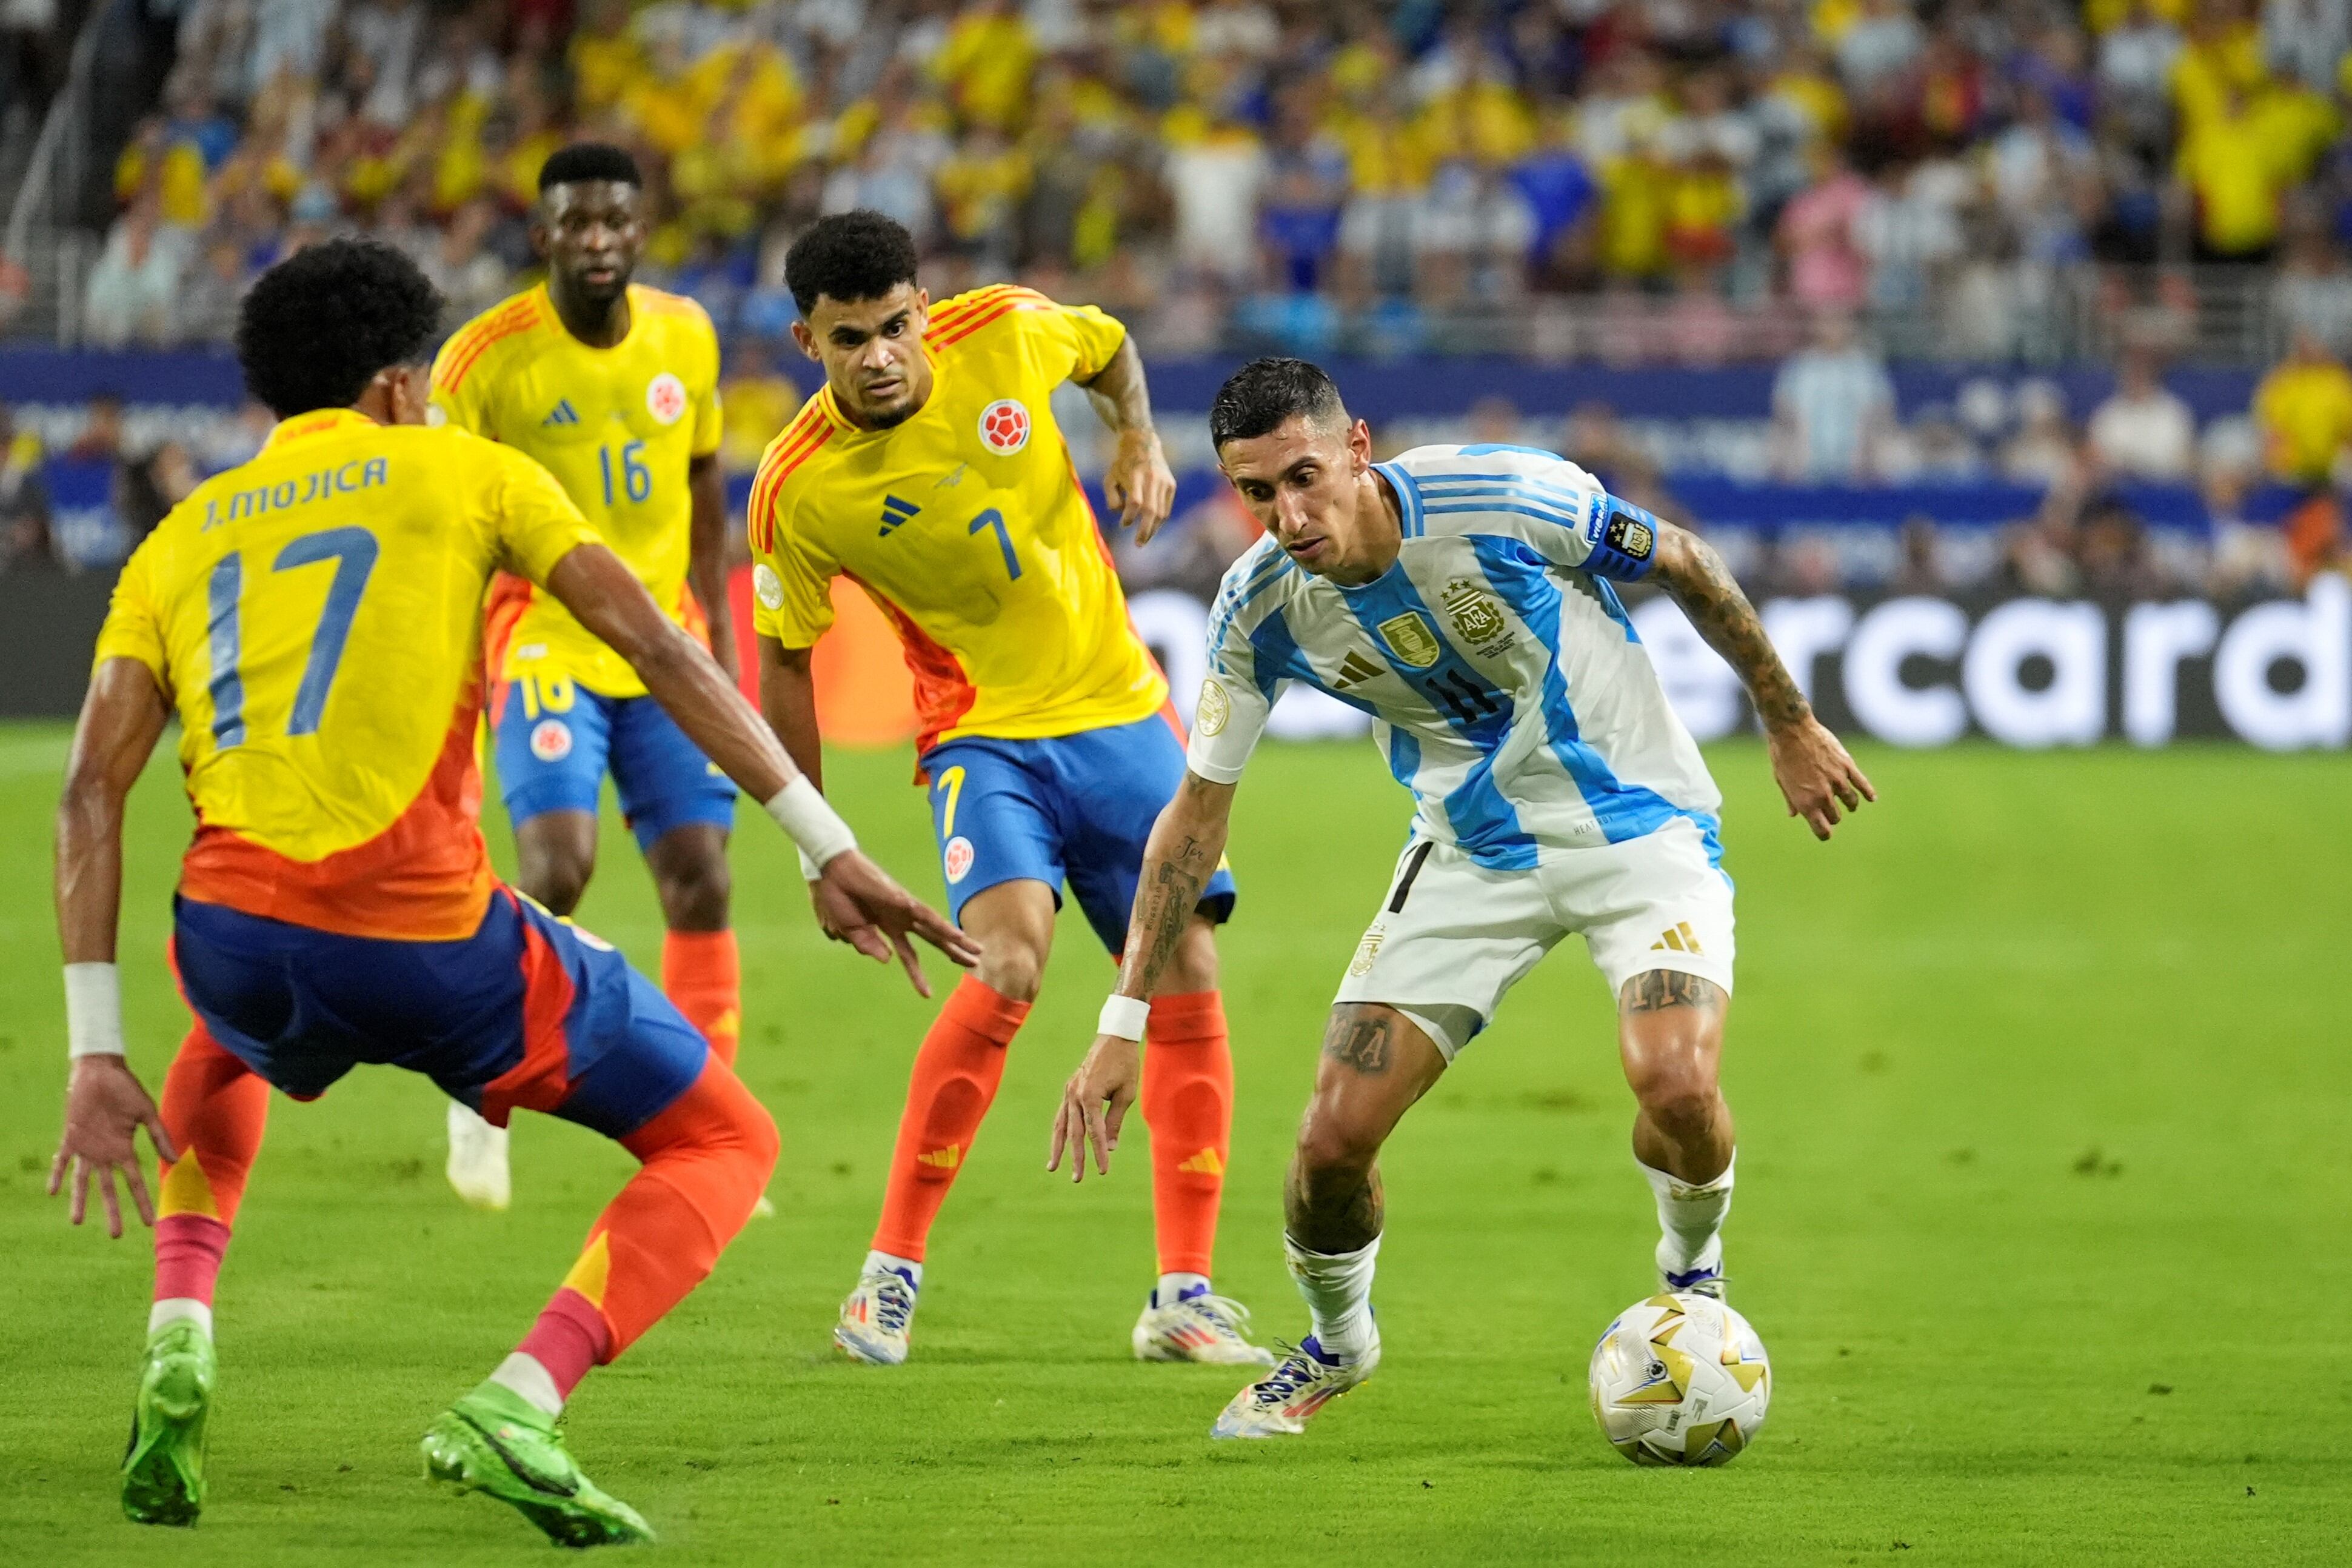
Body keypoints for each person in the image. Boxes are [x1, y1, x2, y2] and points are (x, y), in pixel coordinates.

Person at [45, 238, 975, 1544]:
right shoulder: (470, 470)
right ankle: (521, 1398)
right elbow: (657, 638)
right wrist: (829, 843)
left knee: (230, 1032)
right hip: (426, 936)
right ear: (396, 381)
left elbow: (89, 792)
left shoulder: (179, 538)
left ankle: (178, 1336)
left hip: (235, 934)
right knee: (723, 1140)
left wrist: (95, 1050)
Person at [1047, 358, 1874, 1439]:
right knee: (1330, 1145)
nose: (1288, 517)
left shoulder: (1502, 496)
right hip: (1471, 852)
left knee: (1673, 1082)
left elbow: (1684, 559)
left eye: (1304, 477)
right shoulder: (1259, 610)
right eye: (1258, 493)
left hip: (1639, 823)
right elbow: (1195, 815)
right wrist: (1123, 1022)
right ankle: (1338, 1343)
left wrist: (1788, 721)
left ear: (1358, 447)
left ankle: (1692, 1269)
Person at [747, 210, 1266, 1369]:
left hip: (1123, 715)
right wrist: (817, 848)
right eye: (848, 339)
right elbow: (783, 662)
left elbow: (1112, 344)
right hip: (983, 738)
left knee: (1184, 962)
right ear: (805, 342)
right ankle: (888, 1281)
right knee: (1012, 960)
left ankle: (1182, 1298)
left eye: (894, 325)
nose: (879, 354)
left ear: (922, 309)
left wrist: (1136, 435)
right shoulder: (796, 488)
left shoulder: (1014, 330)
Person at [428, 144, 741, 1213]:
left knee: (701, 876)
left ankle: (711, 1123)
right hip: (546, 643)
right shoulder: (482, 362)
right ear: (544, 235)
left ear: (639, 230)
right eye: (579, 224)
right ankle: (481, 1091)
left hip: (667, 645)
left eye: (617, 221)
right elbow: (444, 527)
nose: (599, 241)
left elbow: (704, 494)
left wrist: (723, 651)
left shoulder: (686, 334)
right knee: (556, 867)